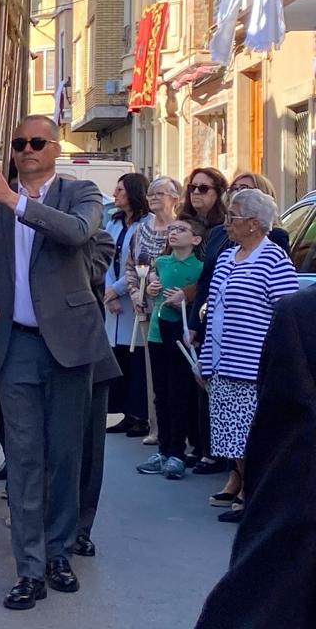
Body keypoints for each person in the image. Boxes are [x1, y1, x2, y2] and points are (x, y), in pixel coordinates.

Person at [0, 115, 109, 611]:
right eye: (19, 143)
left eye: (36, 142)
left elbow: (78, 233)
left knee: (65, 455)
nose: (26, 150)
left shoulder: (80, 193)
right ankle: (31, 568)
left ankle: (61, 551)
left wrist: (14, 201)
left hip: (68, 344)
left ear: (55, 148)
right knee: (23, 458)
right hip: (13, 345)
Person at [193, 285, 316, 629]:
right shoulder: (303, 318)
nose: (232, 226)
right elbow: (286, 483)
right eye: (228, 223)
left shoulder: (299, 311)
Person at [198, 188, 298, 523]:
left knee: (252, 435)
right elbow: (214, 311)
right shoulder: (227, 257)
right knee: (231, 434)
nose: (227, 223)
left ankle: (252, 496)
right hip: (223, 361)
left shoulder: (273, 259)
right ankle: (243, 487)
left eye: (233, 217)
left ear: (254, 224)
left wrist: (277, 361)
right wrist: (205, 358)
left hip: (254, 364)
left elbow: (285, 314)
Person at [135, 218, 205, 480]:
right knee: (160, 393)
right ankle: (163, 450)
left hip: (181, 333)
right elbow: (153, 292)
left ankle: (178, 452)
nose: (173, 233)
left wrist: (184, 298)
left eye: (181, 230)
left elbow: (201, 296)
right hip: (157, 331)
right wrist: (151, 289)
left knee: (179, 393)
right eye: (172, 230)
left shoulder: (198, 267)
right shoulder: (161, 263)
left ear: (196, 239)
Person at [126, 175, 183, 446]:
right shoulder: (141, 230)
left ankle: (178, 432)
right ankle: (156, 427)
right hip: (147, 309)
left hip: (175, 308)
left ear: (175, 198)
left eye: (160, 193)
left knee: (175, 373)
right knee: (153, 374)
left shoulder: (181, 229)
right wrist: (136, 293)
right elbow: (130, 267)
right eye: (151, 193)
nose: (153, 197)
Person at [74, 227, 120, 558]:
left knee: (89, 448)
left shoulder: (99, 239)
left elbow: (87, 274)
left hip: (89, 355)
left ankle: (79, 528)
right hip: (33, 354)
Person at [103, 173, 151, 436]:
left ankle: (140, 414)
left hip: (134, 297)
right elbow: (104, 256)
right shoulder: (114, 223)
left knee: (136, 361)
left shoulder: (147, 224)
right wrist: (108, 292)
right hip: (114, 302)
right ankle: (126, 413)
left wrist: (117, 289)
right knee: (120, 357)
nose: (115, 193)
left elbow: (139, 262)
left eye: (120, 189)